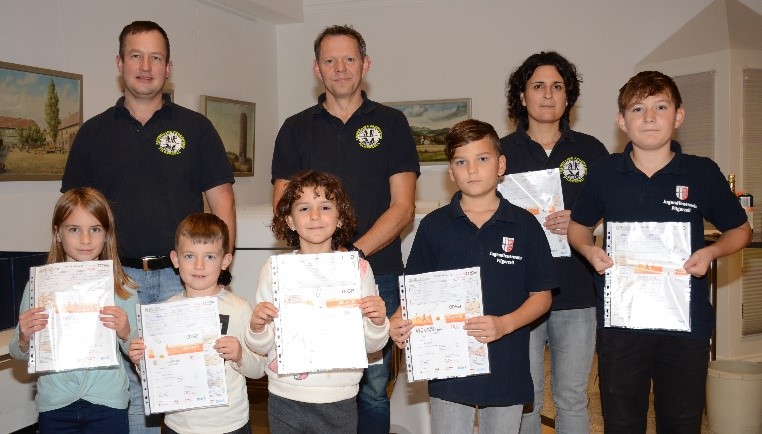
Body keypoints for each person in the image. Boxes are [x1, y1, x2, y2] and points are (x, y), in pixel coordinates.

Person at [60, 20, 236, 431]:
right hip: (117, 280)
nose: (145, 66)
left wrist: (220, 270)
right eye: (136, 56)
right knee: (131, 388)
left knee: (188, 382)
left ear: (168, 67)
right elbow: (72, 213)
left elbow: (222, 202)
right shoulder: (93, 133)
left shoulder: (197, 128)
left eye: (155, 57)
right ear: (119, 63)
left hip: (184, 279)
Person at [568, 71, 752, 433]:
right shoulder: (604, 172)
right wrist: (588, 250)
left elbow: (740, 231)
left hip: (685, 326)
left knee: (682, 422)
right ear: (622, 121)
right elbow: (578, 226)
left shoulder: (701, 172)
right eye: (638, 109)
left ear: (678, 116)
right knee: (621, 423)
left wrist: (710, 253)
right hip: (621, 325)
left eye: (661, 107)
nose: (649, 117)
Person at [270, 24, 419, 433]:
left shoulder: (392, 123)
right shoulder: (295, 128)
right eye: (330, 60)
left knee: (373, 388)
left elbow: (403, 207)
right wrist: (327, 261)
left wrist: (352, 255)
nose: (340, 68)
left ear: (365, 64)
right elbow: (283, 206)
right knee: (315, 380)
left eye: (349, 59)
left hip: (378, 273)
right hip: (309, 279)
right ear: (316, 68)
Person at [389, 119, 556, 434]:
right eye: (461, 162)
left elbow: (542, 296)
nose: (473, 169)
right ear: (451, 172)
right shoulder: (434, 226)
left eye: (482, 158)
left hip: (506, 366)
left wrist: (504, 324)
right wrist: (399, 320)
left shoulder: (525, 226)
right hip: (449, 369)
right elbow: (414, 290)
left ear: (500, 165)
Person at [500, 51, 609, 434]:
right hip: (519, 294)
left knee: (572, 397)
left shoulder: (592, 151)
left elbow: (614, 212)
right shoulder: (500, 152)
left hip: (577, 292)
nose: (548, 94)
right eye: (538, 86)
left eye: (557, 86)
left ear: (568, 97)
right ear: (522, 96)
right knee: (526, 398)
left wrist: (585, 222)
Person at [246, 170, 390, 433]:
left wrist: (378, 323)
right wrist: (256, 328)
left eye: (325, 207)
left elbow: (372, 346)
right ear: (290, 220)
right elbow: (262, 345)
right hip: (285, 395)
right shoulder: (274, 271)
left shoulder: (358, 270)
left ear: (340, 217)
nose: (315, 216)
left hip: (340, 397)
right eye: (304, 208)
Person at [10, 187, 138, 433]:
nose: (85, 240)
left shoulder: (122, 287)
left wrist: (125, 332)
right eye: (74, 229)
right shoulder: (39, 287)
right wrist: (25, 338)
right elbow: (18, 353)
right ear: (58, 233)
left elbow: (136, 349)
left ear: (107, 235)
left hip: (107, 401)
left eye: (95, 229)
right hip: (55, 403)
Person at [128, 213, 264, 434]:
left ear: (225, 261)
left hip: (229, 425)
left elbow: (259, 369)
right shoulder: (164, 312)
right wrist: (141, 362)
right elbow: (156, 377)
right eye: (190, 256)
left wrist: (239, 356)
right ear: (175, 259)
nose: (199, 266)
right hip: (179, 425)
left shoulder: (239, 309)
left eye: (210, 257)